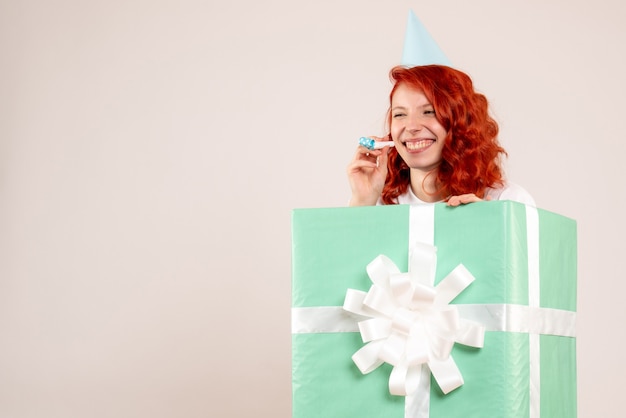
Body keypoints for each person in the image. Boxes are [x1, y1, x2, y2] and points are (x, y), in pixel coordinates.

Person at [347, 65, 535, 207]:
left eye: (429, 112)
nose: (411, 126)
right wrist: (362, 203)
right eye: (400, 114)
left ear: (462, 123)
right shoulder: (378, 204)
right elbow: (344, 259)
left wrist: (487, 230)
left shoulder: (506, 202)